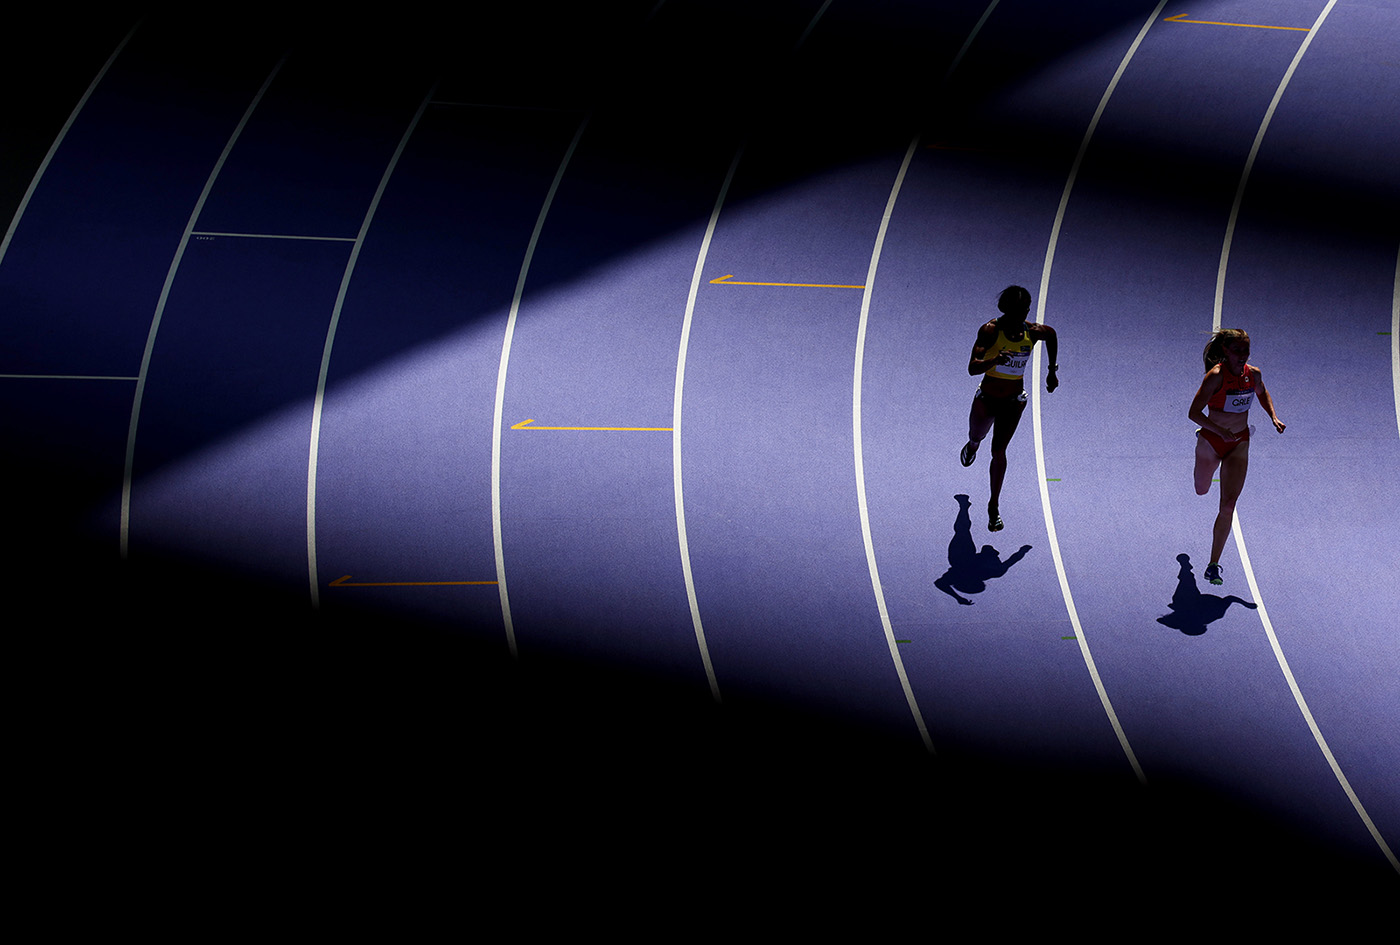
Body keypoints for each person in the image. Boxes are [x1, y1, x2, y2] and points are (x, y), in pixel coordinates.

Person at [1187, 329, 1285, 584]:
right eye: (1237, 350)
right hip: (1212, 440)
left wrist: (1272, 416)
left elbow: (1262, 393)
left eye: (1246, 350)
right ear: (1225, 352)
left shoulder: (1253, 374)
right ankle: (1184, 570)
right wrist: (1218, 430)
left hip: (1239, 442)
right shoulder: (1215, 377)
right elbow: (1194, 413)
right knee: (1201, 490)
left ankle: (1213, 564)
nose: (1242, 355)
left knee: (1228, 505)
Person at [960, 285, 1058, 531]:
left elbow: (1052, 335)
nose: (1023, 316)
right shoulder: (991, 330)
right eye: (1018, 312)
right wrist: (994, 360)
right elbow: (972, 368)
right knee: (977, 436)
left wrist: (1051, 371)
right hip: (987, 399)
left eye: (1026, 310)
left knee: (999, 451)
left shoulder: (1033, 332)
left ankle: (993, 506)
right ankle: (972, 446)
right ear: (1006, 310)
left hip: (1013, 402)